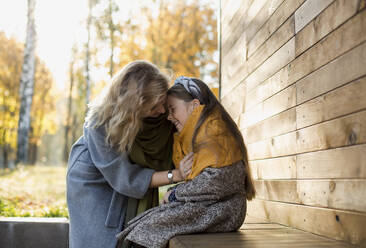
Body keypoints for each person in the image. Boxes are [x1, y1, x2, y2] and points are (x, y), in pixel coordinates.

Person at [116, 76, 256, 248]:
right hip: (213, 207)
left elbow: (214, 183)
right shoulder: (200, 133)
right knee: (145, 223)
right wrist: (176, 191)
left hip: (223, 211)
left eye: (172, 109)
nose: (169, 117)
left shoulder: (215, 132)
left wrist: (175, 194)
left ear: (194, 106)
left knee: (149, 227)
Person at [66, 61, 193, 248]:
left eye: (162, 102)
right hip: (92, 178)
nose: (162, 111)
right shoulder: (98, 125)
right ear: (132, 107)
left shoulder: (156, 118)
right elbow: (126, 179)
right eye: (154, 107)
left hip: (121, 177)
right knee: (99, 239)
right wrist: (176, 175)